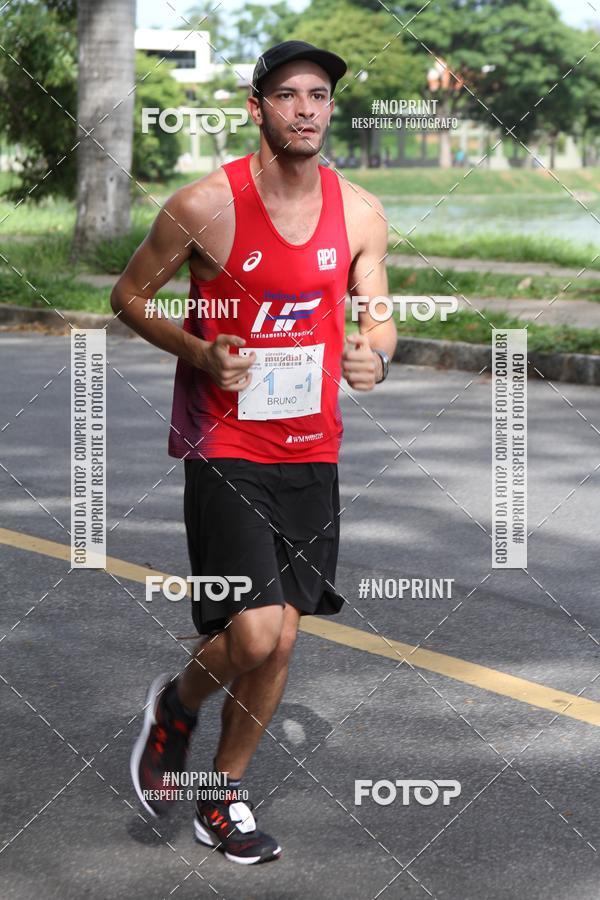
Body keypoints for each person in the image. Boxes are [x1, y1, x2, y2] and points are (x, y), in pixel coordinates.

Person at [111, 39, 398, 865]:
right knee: (252, 629)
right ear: (256, 106)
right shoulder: (204, 205)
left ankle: (221, 797)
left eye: (319, 96)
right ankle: (177, 701)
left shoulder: (363, 211)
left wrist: (374, 350)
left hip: (313, 448)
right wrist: (198, 352)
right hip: (226, 441)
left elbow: (376, 314)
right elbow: (128, 295)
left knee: (281, 638)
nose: (307, 108)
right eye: (288, 95)